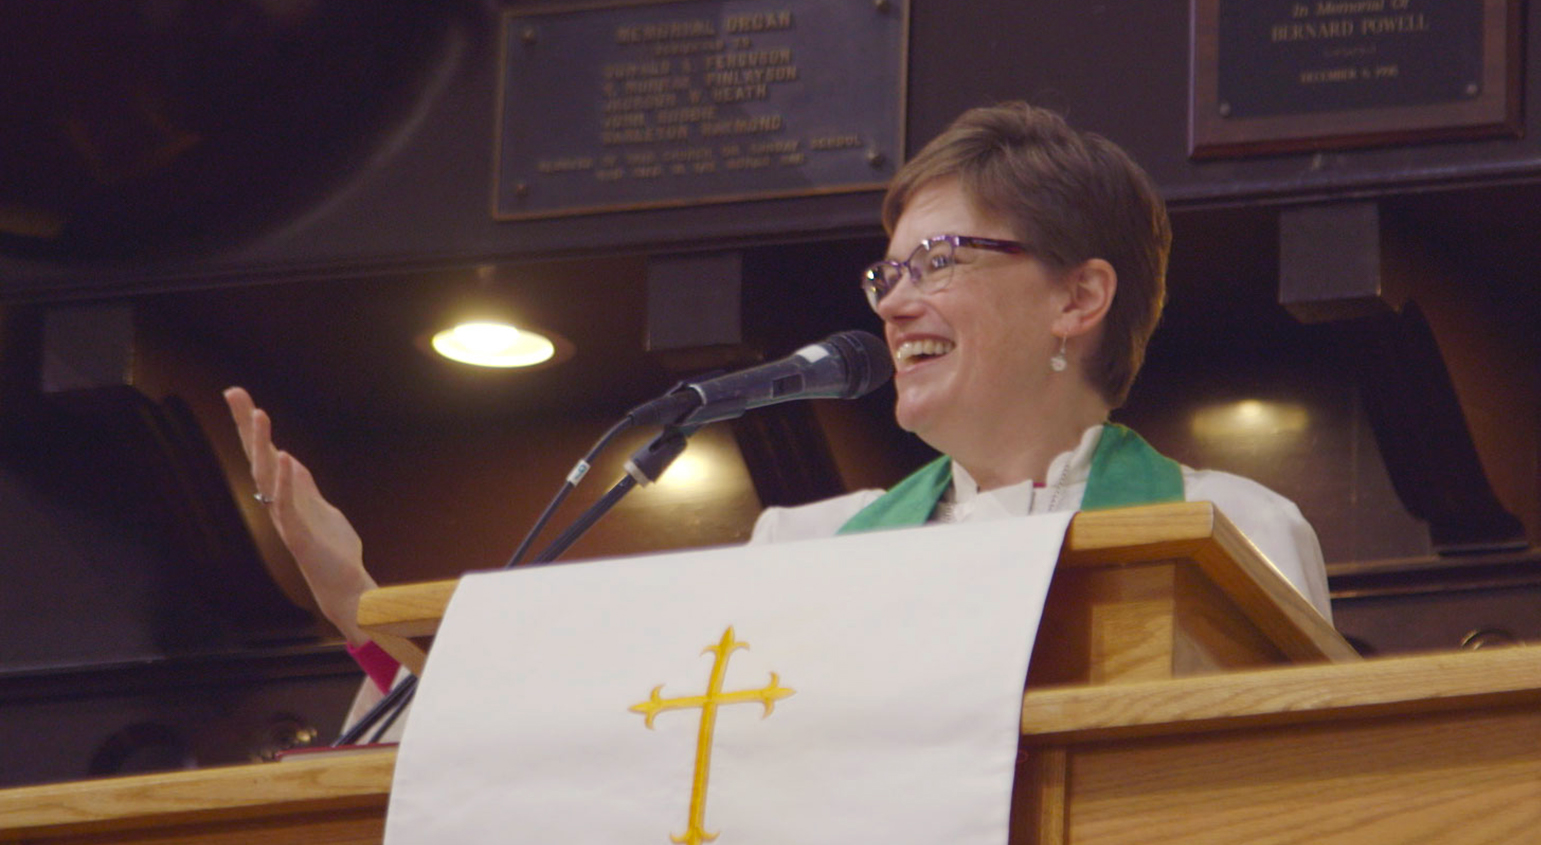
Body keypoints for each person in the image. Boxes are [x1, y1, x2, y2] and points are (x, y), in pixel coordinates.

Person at [225, 102, 1329, 734]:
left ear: (1080, 299)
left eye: (938, 260)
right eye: (885, 275)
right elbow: (585, 750)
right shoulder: (802, 549)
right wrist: (365, 612)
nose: (896, 301)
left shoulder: (1231, 529)